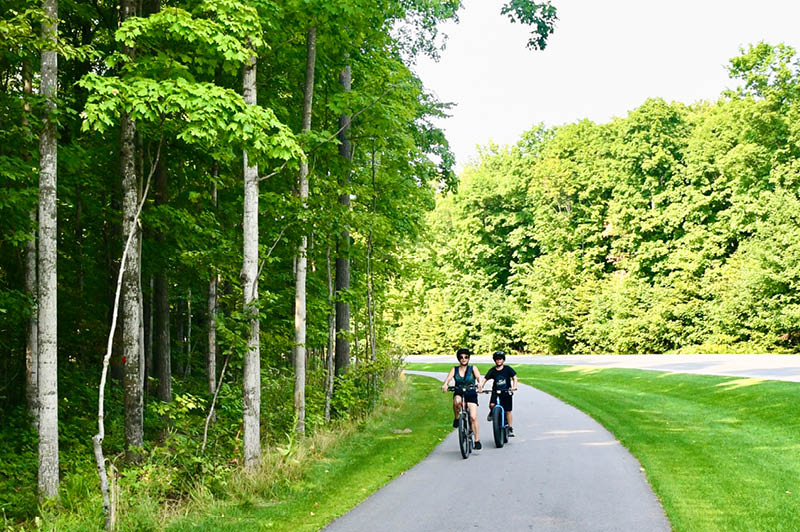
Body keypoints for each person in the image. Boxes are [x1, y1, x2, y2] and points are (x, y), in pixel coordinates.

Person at [442, 347, 483, 450]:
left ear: (468, 358)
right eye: (461, 357)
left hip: (471, 392)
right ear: (458, 359)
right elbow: (448, 379)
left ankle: (477, 440)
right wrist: (445, 385)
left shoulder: (473, 368)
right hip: (459, 391)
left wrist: (480, 384)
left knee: (473, 417)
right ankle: (457, 418)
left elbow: (478, 377)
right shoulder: (454, 369)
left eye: (466, 357)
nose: (464, 359)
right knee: (456, 401)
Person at [482, 350, 518, 436]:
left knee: (508, 411)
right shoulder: (493, 370)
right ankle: (492, 412)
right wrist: (481, 386)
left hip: (506, 391)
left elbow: (515, 378)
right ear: (495, 360)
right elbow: (485, 379)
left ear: (503, 360)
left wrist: (514, 386)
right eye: (497, 359)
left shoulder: (507, 369)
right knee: (492, 405)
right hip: (496, 391)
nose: (499, 361)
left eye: (500, 359)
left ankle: (510, 428)